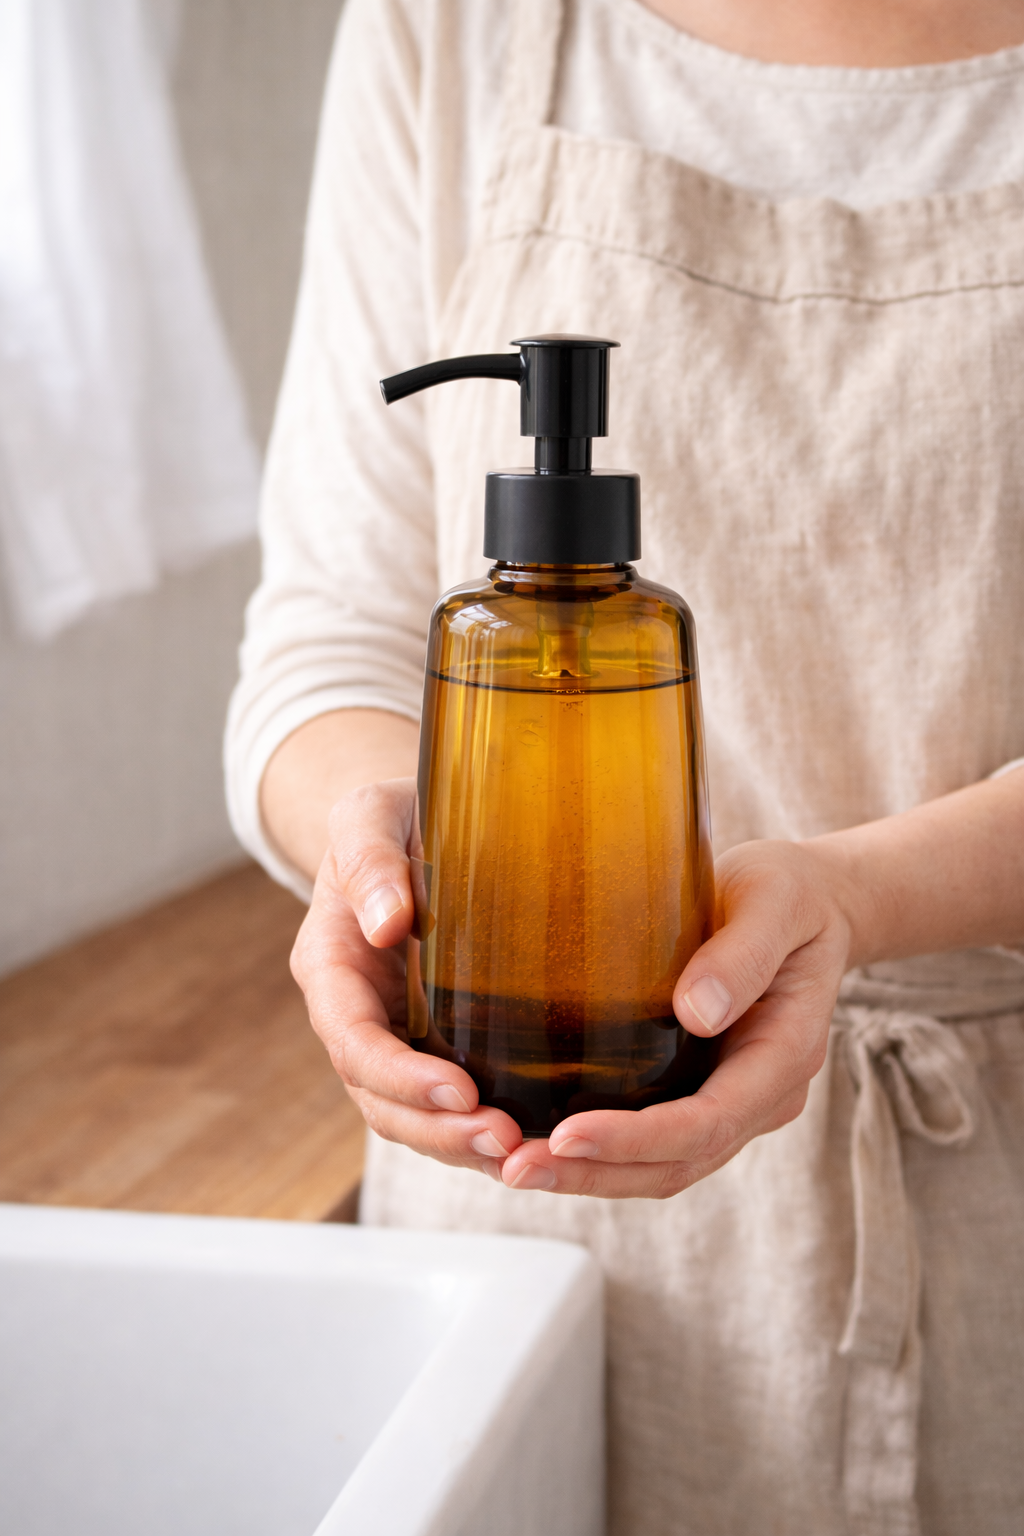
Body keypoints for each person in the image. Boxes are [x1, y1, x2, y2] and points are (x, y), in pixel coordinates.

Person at [225, 2, 1024, 1531]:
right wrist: (373, 854)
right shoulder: (446, 32)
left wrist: (857, 896)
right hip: (524, 1211)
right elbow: (321, 642)